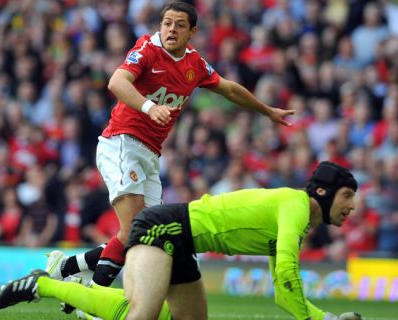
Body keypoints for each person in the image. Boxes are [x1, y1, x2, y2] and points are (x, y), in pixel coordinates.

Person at [46, 0, 294, 293]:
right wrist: (149, 106)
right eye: (166, 23)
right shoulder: (147, 50)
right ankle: (90, 301)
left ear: (192, 32)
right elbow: (116, 82)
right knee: (134, 228)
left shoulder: (195, 63)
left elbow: (227, 88)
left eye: (179, 25)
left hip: (150, 154)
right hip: (122, 142)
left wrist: (266, 110)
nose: (171, 29)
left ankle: (66, 268)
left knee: (150, 234)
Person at [0, 161, 363, 320]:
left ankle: (69, 274)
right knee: (141, 314)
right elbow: (285, 270)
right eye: (347, 195)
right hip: (165, 227)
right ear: (322, 191)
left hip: (182, 238)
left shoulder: (296, 219)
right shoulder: (295, 205)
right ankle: (46, 284)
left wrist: (319, 316)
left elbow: (284, 292)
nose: (352, 205)